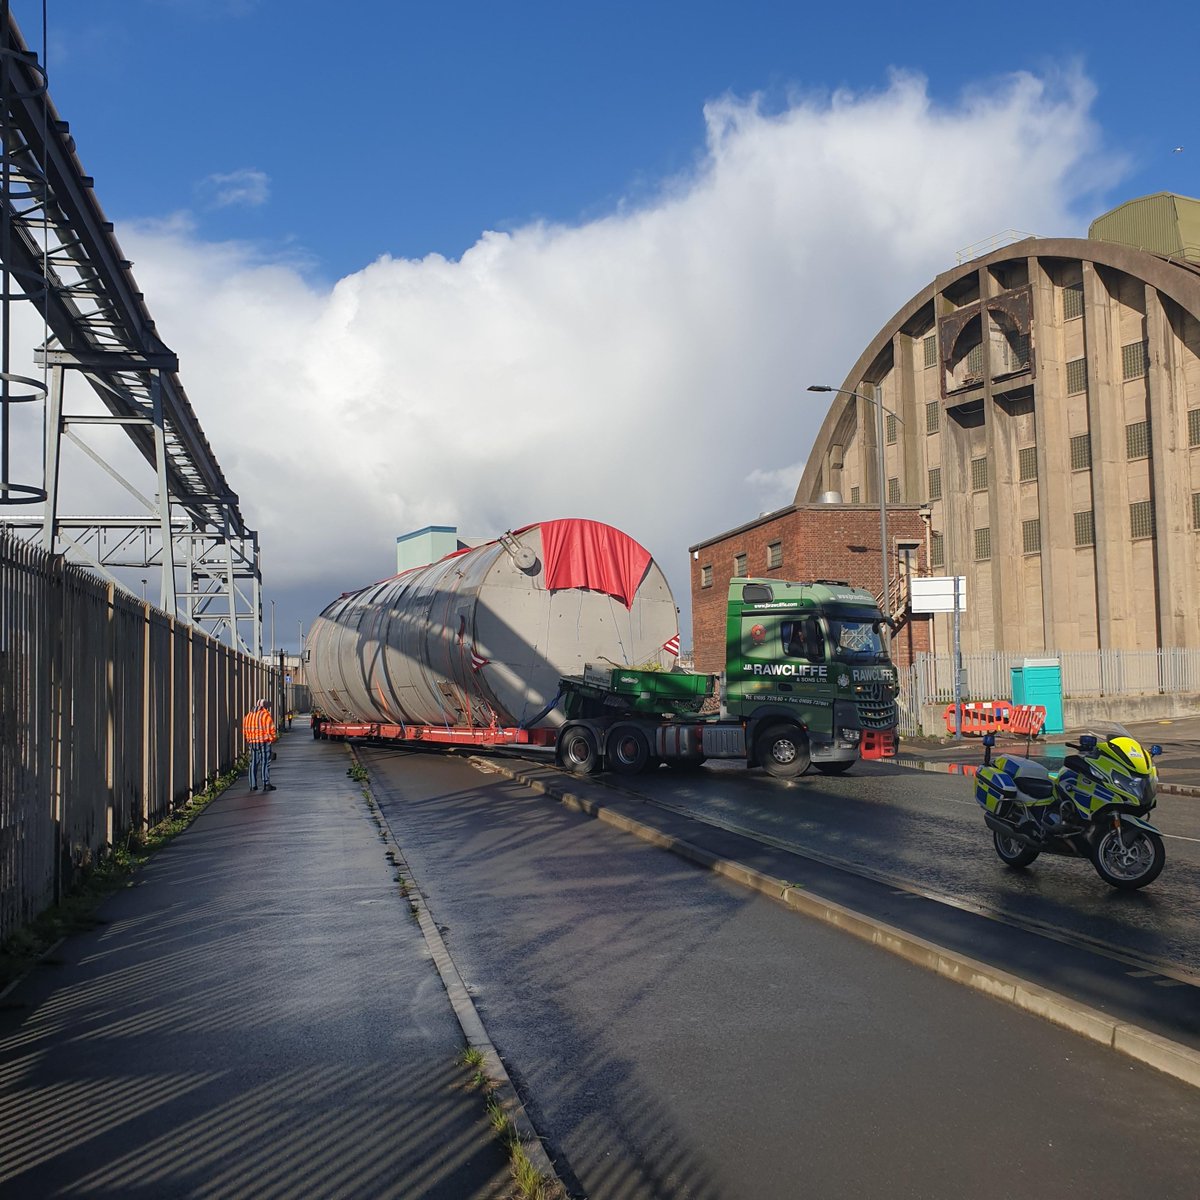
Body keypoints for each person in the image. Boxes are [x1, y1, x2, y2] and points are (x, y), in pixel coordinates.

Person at [243, 698, 278, 792]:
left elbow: (245, 729)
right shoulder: (265, 715)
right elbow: (271, 729)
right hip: (264, 742)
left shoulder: (249, 715)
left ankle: (252, 785)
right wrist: (273, 739)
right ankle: (266, 784)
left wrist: (249, 739)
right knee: (265, 762)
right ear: (264, 706)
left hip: (252, 742)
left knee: (253, 763)